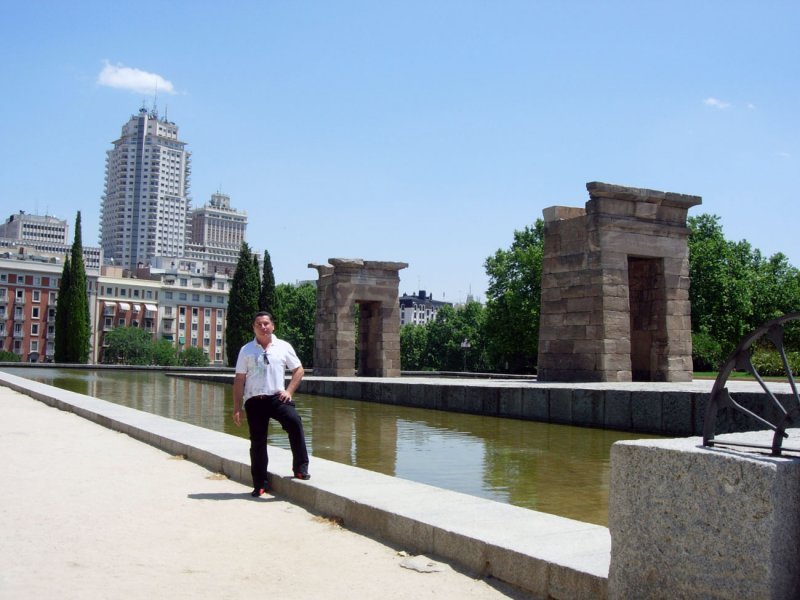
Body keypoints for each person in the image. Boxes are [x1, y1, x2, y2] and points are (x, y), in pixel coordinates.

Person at [233, 311, 310, 497]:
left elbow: (299, 370)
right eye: (259, 324)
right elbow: (239, 380)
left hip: (277, 398)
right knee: (257, 442)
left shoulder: (283, 346)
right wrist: (237, 408)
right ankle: (260, 483)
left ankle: (300, 467)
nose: (263, 327)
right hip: (254, 400)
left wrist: (289, 391)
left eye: (266, 323)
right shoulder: (246, 350)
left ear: (273, 326)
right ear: (254, 327)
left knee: (294, 422)